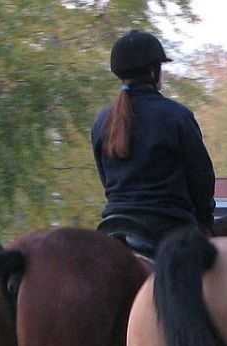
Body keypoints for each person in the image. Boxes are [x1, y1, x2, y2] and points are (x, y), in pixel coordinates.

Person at [92, 29, 216, 246]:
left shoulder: (102, 119)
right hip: (168, 228)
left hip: (114, 225)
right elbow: (201, 180)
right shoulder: (176, 115)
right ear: (153, 71)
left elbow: (106, 179)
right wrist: (205, 224)